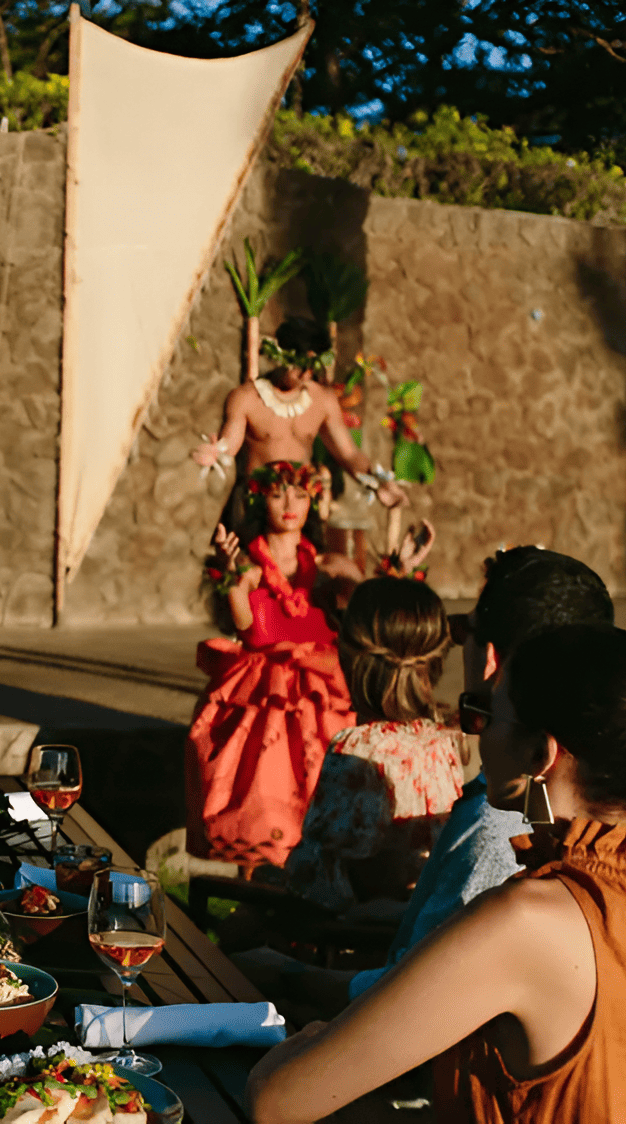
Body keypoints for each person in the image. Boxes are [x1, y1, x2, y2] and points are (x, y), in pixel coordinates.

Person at [248, 624, 626, 1123]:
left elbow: (278, 1100)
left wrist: (312, 1035)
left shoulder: (526, 920)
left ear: (540, 755)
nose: (474, 732)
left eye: (486, 716)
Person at [185, 461, 360, 869]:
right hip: (262, 689)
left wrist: (398, 568)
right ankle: (252, 875)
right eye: (277, 494)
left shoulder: (329, 567)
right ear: (258, 500)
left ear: (313, 501)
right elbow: (245, 623)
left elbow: (368, 608)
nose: (289, 505)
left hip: (320, 687)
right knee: (259, 783)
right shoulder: (247, 563)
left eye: (299, 495)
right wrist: (232, 575)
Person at [283, 579, 462, 913]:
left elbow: (317, 873)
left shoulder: (358, 748)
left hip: (357, 929)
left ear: (349, 658)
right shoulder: (445, 743)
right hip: (423, 919)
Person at [191, 317, 404, 533]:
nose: (305, 375)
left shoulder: (323, 400)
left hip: (301, 509)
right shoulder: (247, 398)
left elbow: (348, 454)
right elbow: (228, 447)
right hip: (258, 506)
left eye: (312, 367)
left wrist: (378, 482)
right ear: (279, 356)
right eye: (299, 365)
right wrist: (214, 454)